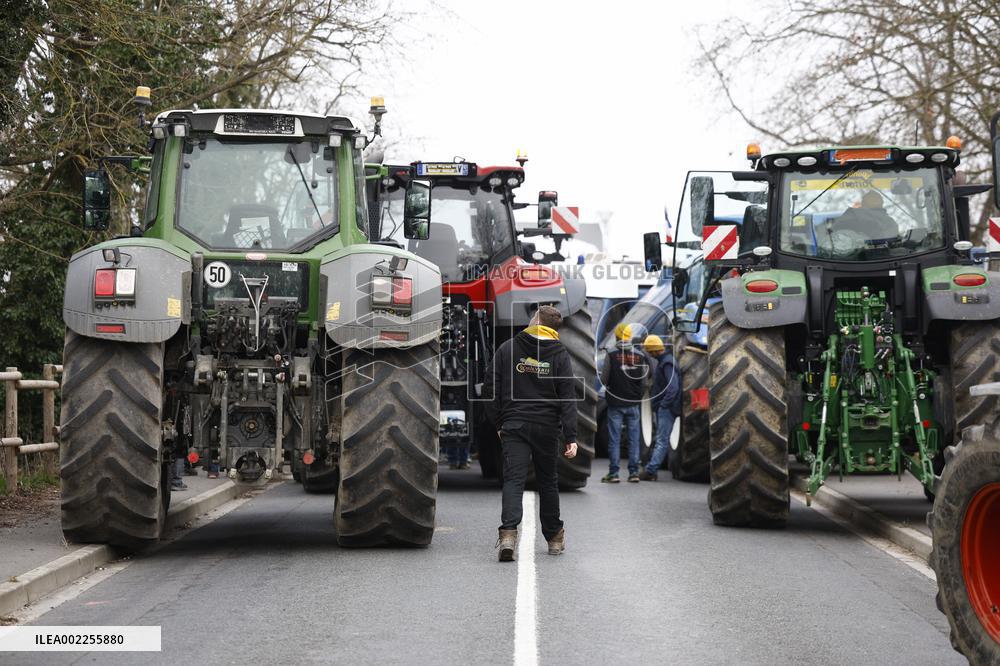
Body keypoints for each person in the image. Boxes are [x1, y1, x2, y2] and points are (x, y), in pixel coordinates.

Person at [484, 305, 579, 561]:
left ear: (535, 320)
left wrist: (498, 423)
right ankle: (554, 538)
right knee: (548, 481)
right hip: (547, 428)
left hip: (514, 425)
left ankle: (508, 536)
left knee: (514, 480)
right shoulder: (560, 354)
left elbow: (490, 387)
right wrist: (570, 436)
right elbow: (567, 397)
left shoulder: (508, 348)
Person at [600, 323, 651, 483]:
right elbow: (643, 382)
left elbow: (604, 379)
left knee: (614, 439)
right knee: (634, 439)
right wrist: (637, 396)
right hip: (633, 404)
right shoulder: (640, 355)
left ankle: (614, 474)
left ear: (616, 336)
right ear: (629, 337)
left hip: (615, 403)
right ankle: (633, 473)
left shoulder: (611, 354)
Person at [639, 335, 681, 481]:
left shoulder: (667, 364)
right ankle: (652, 468)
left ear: (654, 351)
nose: (648, 354)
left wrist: (664, 405)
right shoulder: (665, 361)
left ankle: (650, 471)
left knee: (662, 440)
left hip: (667, 409)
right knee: (660, 438)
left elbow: (673, 388)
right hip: (664, 408)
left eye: (649, 351)